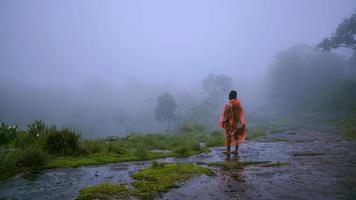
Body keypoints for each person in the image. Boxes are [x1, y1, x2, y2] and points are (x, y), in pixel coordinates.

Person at [218, 90, 247, 155]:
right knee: (236, 136)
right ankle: (236, 150)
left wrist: (225, 120)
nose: (228, 97)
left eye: (229, 95)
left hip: (230, 123)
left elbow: (229, 115)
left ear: (230, 96)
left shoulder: (230, 104)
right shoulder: (238, 104)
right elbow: (239, 114)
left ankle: (228, 151)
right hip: (237, 123)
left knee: (228, 136)